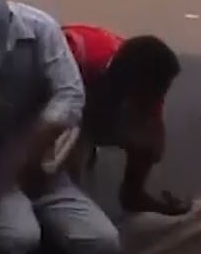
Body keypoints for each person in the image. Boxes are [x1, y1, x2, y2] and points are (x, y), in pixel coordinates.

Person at [0, 0, 120, 254]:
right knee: (20, 237)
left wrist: (32, 146)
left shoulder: (41, 29)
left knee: (102, 240)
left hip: (41, 154)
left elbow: (70, 94)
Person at [60, 25, 190, 216]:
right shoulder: (75, 55)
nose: (160, 92)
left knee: (148, 143)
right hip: (66, 89)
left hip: (103, 91)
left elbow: (153, 130)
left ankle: (133, 195)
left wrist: (149, 150)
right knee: (70, 150)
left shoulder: (152, 78)